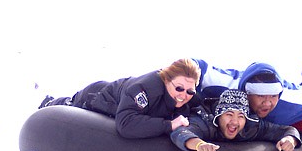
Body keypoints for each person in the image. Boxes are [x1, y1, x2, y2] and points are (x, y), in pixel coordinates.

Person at [192, 59, 302, 151]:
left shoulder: (290, 100)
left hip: (270, 125)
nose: (268, 103)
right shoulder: (226, 84)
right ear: (247, 93)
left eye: (273, 96)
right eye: (261, 96)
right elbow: (195, 66)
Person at [38, 58, 201, 139]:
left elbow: (202, 103)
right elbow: (125, 124)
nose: (183, 95)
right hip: (97, 98)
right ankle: (49, 102)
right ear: (166, 80)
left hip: (118, 94)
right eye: (179, 88)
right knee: (69, 104)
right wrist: (169, 125)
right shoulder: (145, 90)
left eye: (190, 91)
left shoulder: (187, 96)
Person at [170, 89, 301, 151]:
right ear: (219, 115)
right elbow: (180, 132)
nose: (234, 121)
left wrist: (290, 139)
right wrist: (199, 145)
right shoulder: (205, 121)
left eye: (241, 116)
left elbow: (286, 130)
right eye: (229, 114)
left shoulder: (251, 126)